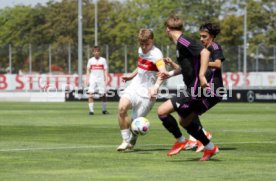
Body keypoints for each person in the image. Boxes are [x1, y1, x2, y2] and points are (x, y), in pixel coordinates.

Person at [157, 15, 223, 161]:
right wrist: (170, 73)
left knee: (162, 111)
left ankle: (181, 141)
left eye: (204, 36)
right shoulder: (180, 44)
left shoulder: (183, 40)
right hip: (193, 88)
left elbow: (205, 53)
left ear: (167, 29)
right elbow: (187, 67)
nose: (201, 39)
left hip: (195, 88)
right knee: (184, 121)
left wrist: (201, 75)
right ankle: (210, 147)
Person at [117, 28, 167, 151]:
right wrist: (131, 75)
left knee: (135, 123)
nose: (144, 47)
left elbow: (163, 73)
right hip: (135, 86)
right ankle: (125, 140)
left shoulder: (157, 55)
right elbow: (141, 66)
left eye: (147, 44)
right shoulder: (141, 50)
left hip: (148, 94)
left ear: (152, 40)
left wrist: (155, 87)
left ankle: (131, 141)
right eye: (142, 44)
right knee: (122, 108)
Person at [186, 22, 225, 152]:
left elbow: (218, 64)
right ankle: (195, 139)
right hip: (205, 88)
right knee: (188, 110)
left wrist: (204, 62)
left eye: (204, 36)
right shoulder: (203, 51)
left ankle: (200, 137)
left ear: (212, 36)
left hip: (214, 89)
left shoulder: (215, 46)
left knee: (189, 110)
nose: (201, 39)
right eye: (200, 36)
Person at [86, 46, 109, 115]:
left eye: (97, 51)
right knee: (90, 94)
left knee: (103, 95)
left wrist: (106, 78)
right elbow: (88, 70)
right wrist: (87, 79)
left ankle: (104, 110)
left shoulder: (103, 60)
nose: (96, 53)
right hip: (92, 79)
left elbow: (105, 70)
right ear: (93, 52)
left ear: (99, 52)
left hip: (101, 79)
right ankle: (91, 111)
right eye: (95, 51)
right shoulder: (90, 60)